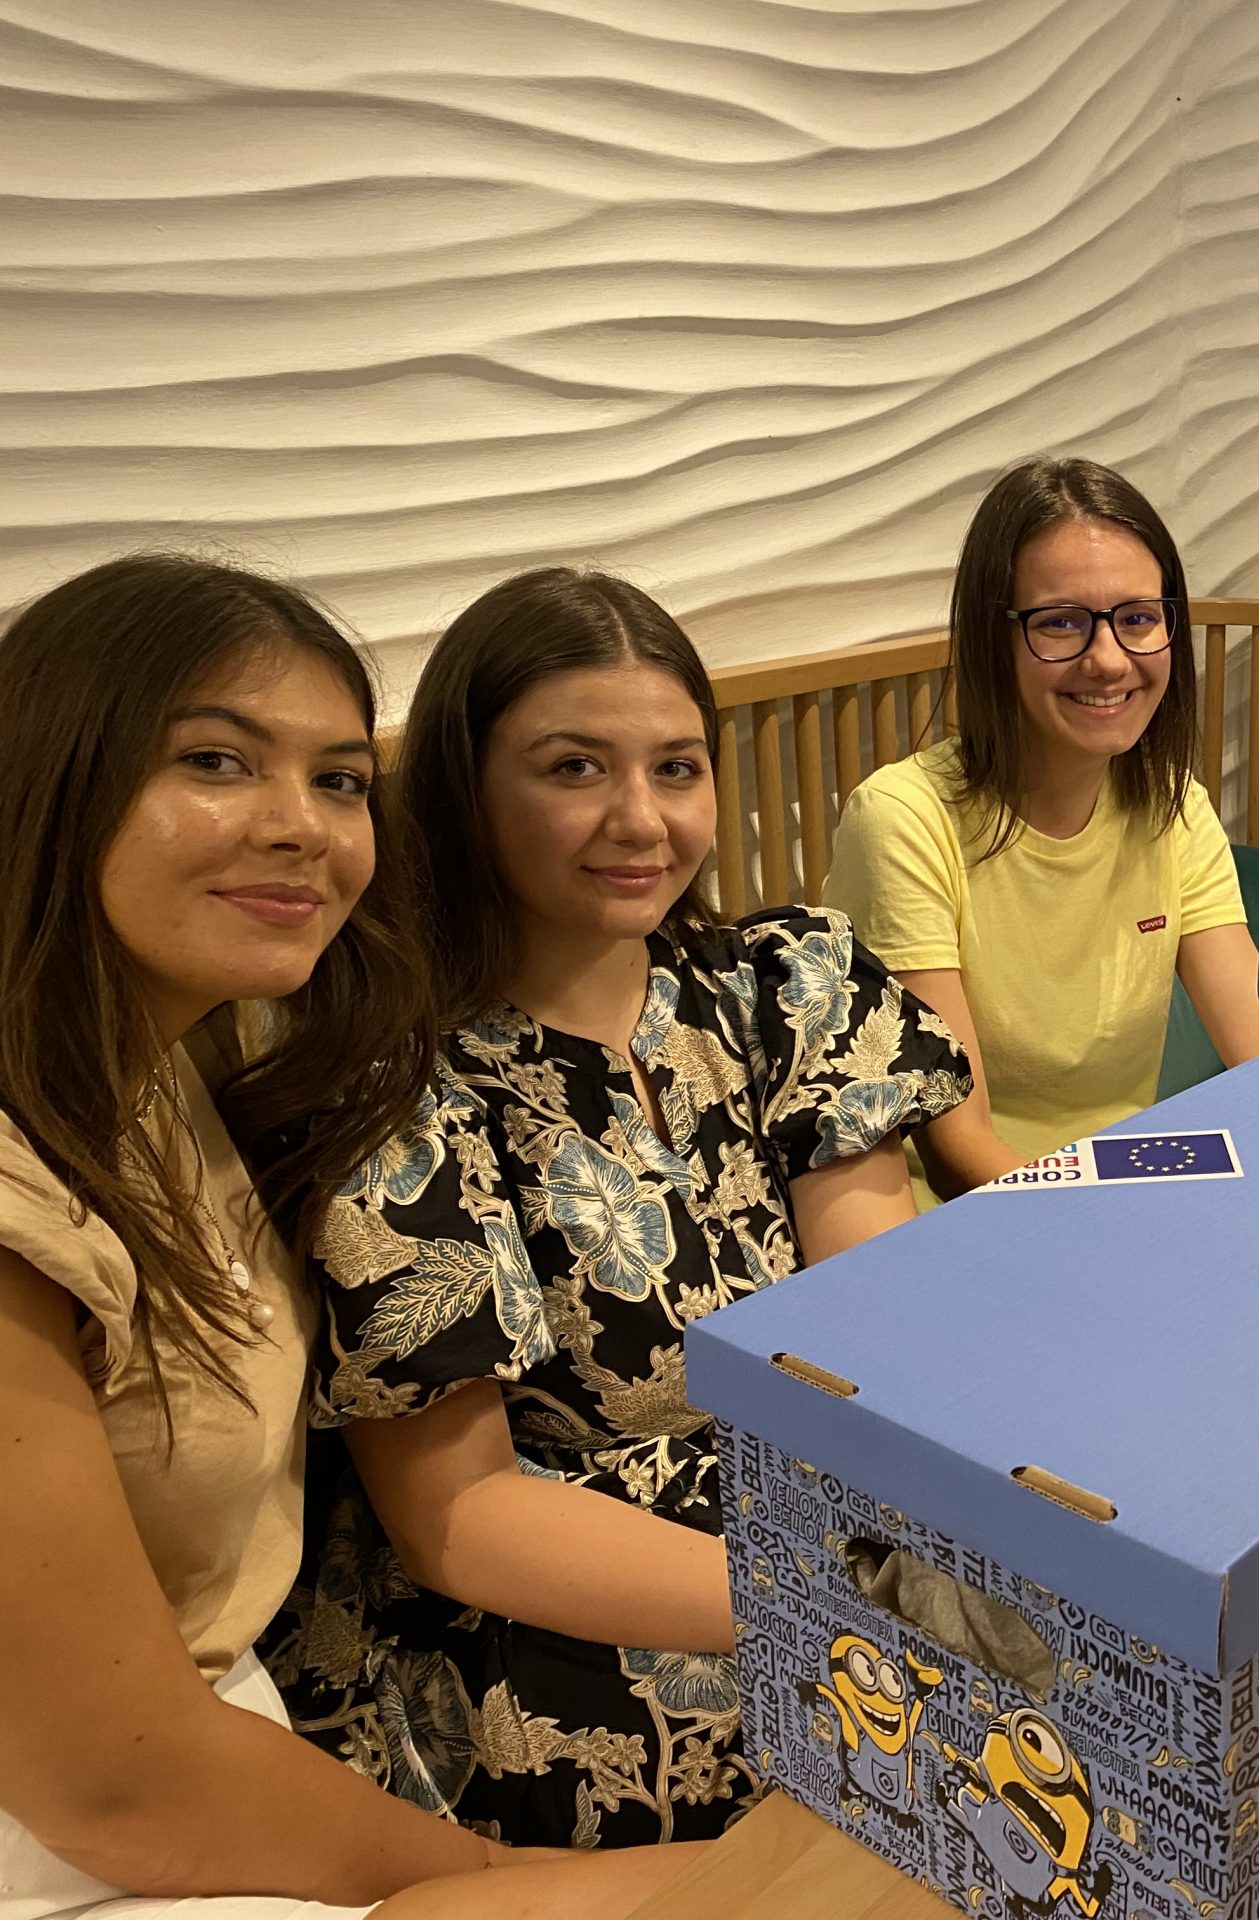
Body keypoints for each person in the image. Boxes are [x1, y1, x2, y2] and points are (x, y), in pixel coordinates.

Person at [0, 555, 691, 1918]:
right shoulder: (384, 1083)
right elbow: (120, 1793)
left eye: (336, 780)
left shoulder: (181, 1061)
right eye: (215, 761)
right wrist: (515, 1880)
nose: (299, 828)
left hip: (210, 1732)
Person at [262, 571, 969, 1847]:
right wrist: (847, 1602)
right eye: (574, 768)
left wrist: (946, 1560)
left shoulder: (782, 989)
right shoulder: (401, 1092)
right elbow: (464, 1523)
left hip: (827, 1530)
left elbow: (878, 1333)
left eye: (677, 769)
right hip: (555, 1629)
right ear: (465, 793)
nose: (640, 819)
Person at [824, 458, 1259, 1199]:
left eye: (1138, 618)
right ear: (992, 638)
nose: (1109, 660)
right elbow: (958, 1150)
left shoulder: (1173, 806)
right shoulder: (904, 820)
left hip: (1127, 1191)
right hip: (964, 1216)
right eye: (1061, 622)